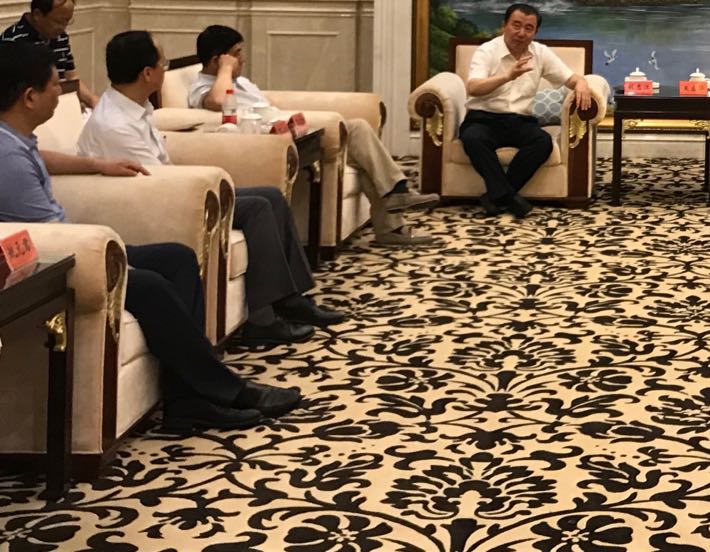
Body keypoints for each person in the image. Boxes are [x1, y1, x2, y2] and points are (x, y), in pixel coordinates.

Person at [0, 42, 301, 432]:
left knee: (178, 259)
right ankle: (228, 390)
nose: (62, 92)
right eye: (55, 85)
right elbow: (45, 235)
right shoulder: (8, 158)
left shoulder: (15, 140)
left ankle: (188, 401)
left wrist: (96, 165)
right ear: (29, 97)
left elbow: (40, 157)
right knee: (153, 285)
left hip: (77, 248)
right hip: (57, 266)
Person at [77, 30, 345, 346]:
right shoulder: (115, 124)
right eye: (163, 63)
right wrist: (198, 184)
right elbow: (153, 182)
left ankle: (290, 299)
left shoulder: (135, 107)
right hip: (156, 202)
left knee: (270, 197)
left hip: (174, 189)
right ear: (147, 73)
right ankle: (262, 320)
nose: (165, 68)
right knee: (258, 206)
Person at [188, 24, 437, 247]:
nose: (242, 59)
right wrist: (224, 69)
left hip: (289, 130)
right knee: (358, 130)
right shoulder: (202, 87)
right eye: (236, 53)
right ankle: (395, 200)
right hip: (267, 144)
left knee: (362, 148)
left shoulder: (240, 81)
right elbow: (218, 102)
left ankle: (392, 218)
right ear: (217, 60)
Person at [461, 3, 594, 217]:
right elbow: (473, 88)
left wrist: (582, 84)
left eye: (528, 28)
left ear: (535, 32)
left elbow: (570, 78)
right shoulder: (487, 50)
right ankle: (508, 197)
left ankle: (497, 196)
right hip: (484, 118)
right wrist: (507, 76)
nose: (521, 33)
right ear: (504, 25)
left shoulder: (540, 53)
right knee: (472, 138)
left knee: (542, 142)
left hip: (520, 120)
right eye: (516, 25)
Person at [1, 0, 99, 109]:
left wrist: (93, 101)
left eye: (67, 21)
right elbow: (11, 95)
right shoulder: (13, 41)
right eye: (58, 22)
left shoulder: (60, 36)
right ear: (37, 15)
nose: (63, 28)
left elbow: (70, 77)